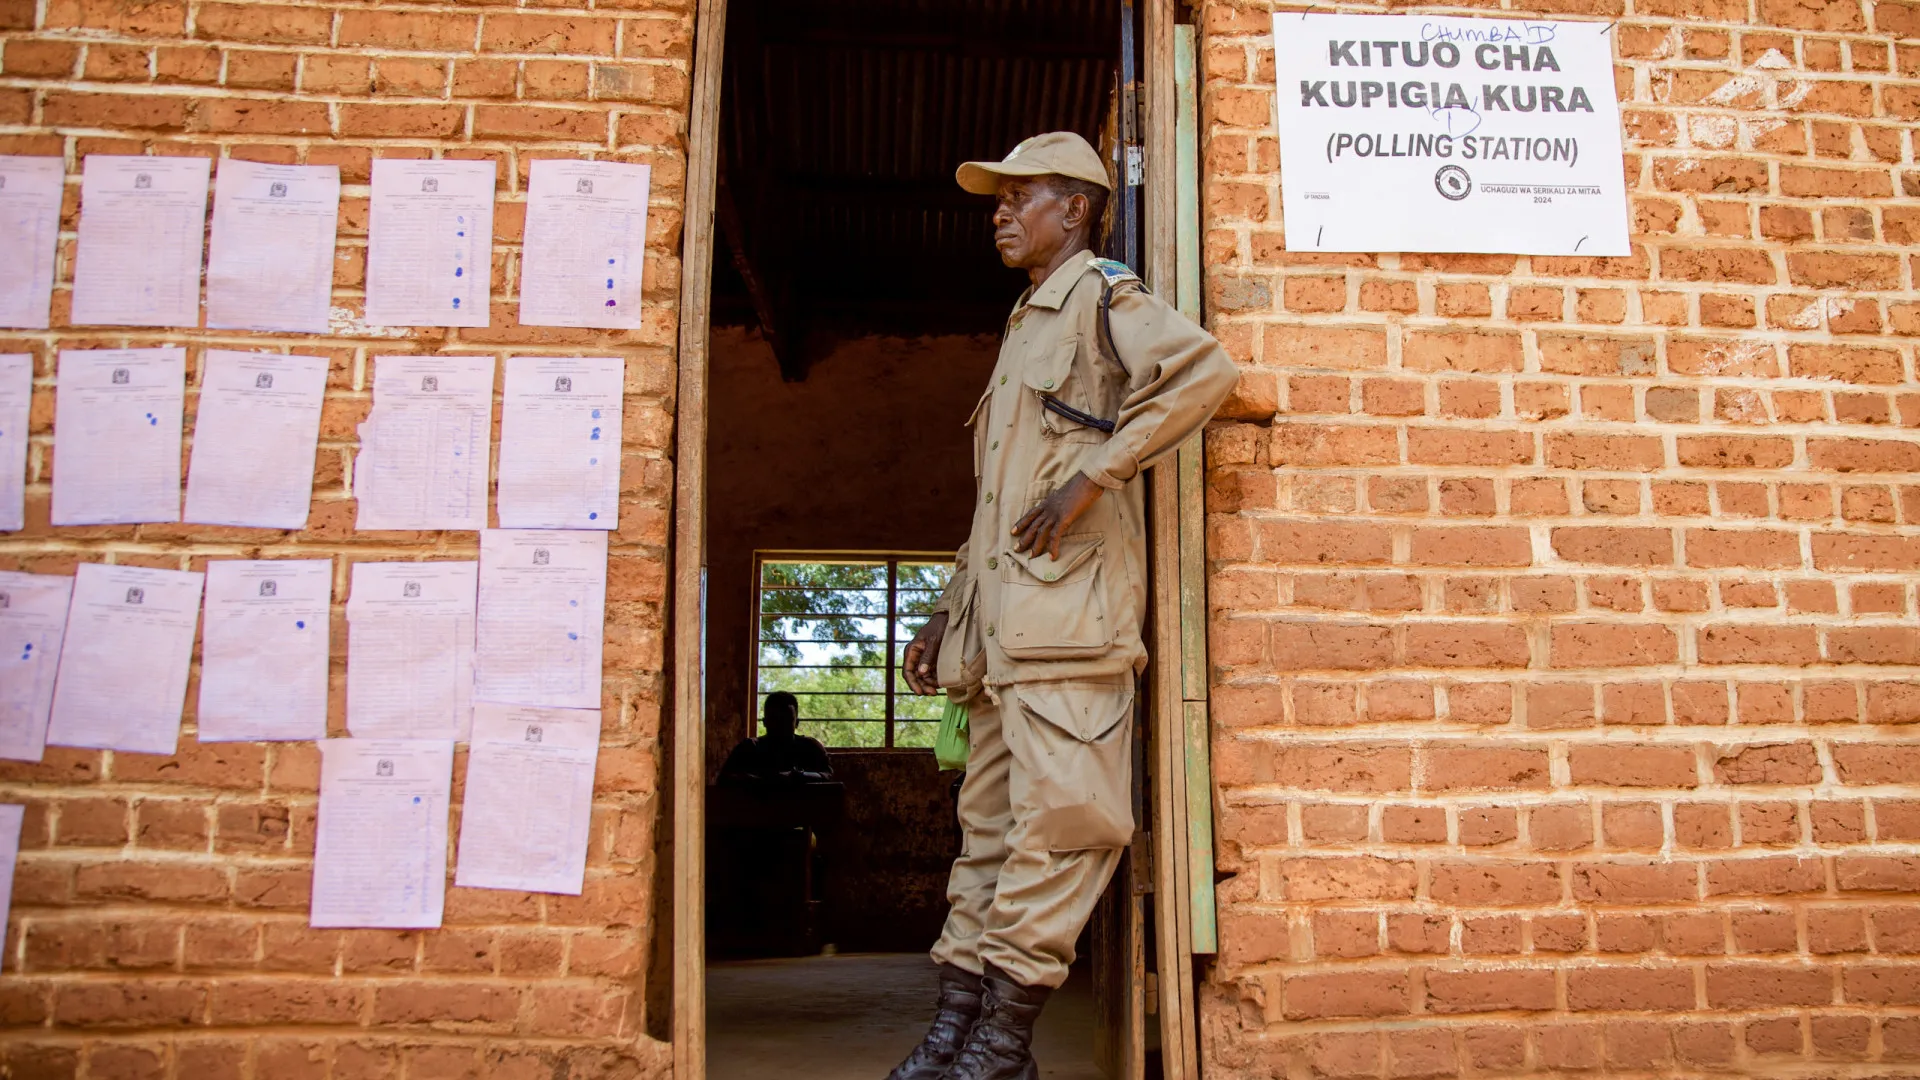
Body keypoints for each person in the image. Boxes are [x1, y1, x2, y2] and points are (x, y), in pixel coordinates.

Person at [888, 132, 1239, 1080]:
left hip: (1070, 633)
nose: (1002, 213)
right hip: (1001, 643)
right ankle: (956, 1032)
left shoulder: (1103, 297)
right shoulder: (1024, 326)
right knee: (988, 843)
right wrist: (946, 609)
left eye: (1022, 196)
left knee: (1065, 833)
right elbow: (996, 508)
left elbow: (1204, 372)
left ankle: (1002, 1045)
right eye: (998, 201)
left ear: (1075, 210)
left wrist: (1096, 476)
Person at [719, 691, 834, 785]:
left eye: (786, 720)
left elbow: (828, 776)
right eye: (775, 719)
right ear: (765, 722)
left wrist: (798, 776)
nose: (780, 725)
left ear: (796, 723)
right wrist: (761, 782)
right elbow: (724, 779)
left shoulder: (810, 748)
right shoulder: (749, 748)